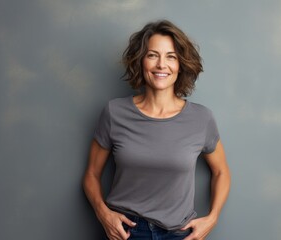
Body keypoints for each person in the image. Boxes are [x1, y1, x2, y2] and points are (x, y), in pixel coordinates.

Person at [83, 20, 231, 240]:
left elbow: (221, 172)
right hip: (126, 232)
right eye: (153, 55)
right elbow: (91, 175)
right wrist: (104, 215)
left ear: (181, 64)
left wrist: (213, 217)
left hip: (179, 234)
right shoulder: (114, 113)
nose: (162, 64)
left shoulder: (201, 118)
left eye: (171, 56)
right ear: (141, 61)